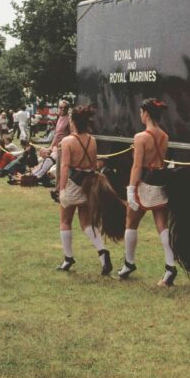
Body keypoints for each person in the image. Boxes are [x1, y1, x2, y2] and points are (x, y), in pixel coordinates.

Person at [121, 98, 189, 285]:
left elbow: (136, 167)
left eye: (141, 112)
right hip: (160, 181)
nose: (140, 116)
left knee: (131, 222)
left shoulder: (140, 137)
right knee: (162, 225)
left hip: (144, 182)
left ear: (146, 113)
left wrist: (130, 189)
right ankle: (170, 266)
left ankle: (129, 262)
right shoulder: (164, 136)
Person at [53, 105, 126, 274]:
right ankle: (102, 252)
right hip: (88, 184)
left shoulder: (68, 141)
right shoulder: (92, 140)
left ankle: (68, 258)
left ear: (73, 122)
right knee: (86, 222)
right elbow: (93, 164)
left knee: (65, 221)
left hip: (73, 183)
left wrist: (61, 189)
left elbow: (64, 167)